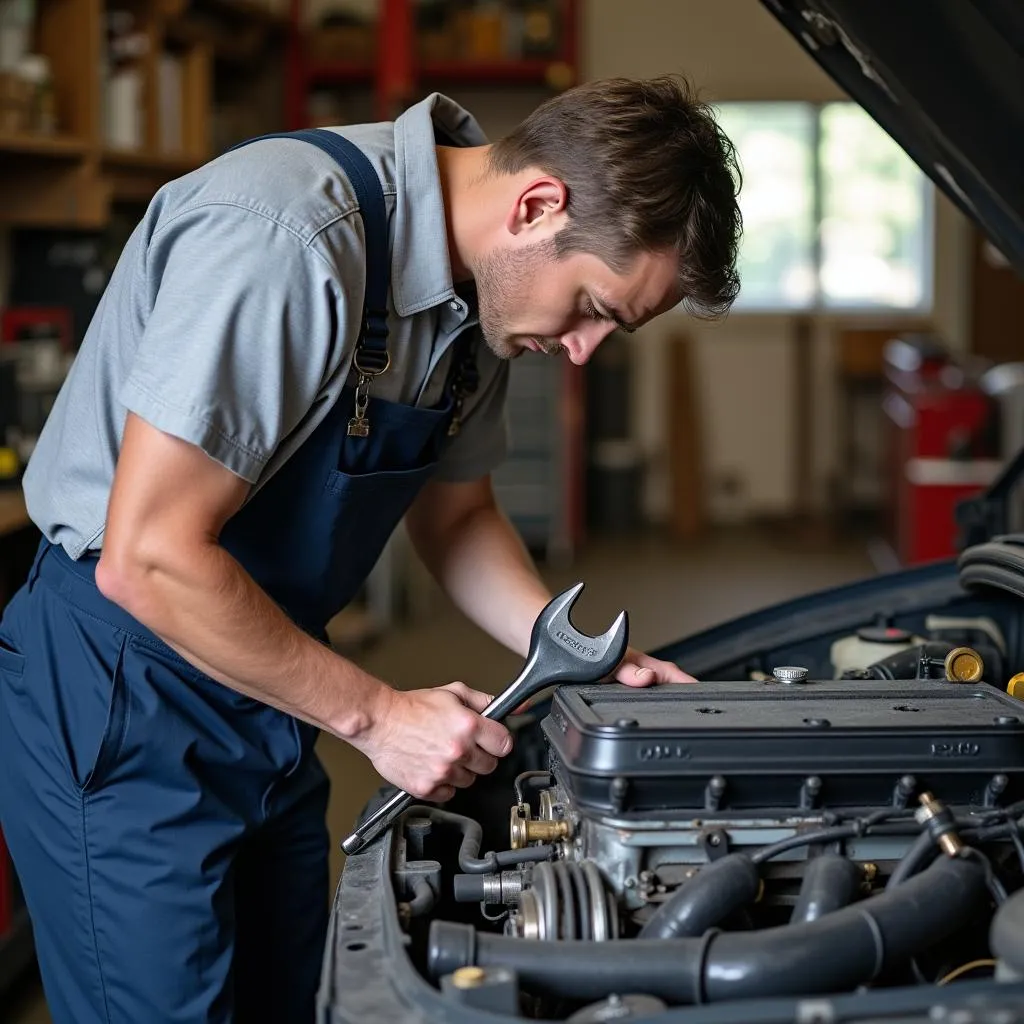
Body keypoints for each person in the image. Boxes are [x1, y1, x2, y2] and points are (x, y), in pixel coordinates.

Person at [0, 75, 741, 1022]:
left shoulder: (476, 304)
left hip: (267, 682)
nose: (586, 348)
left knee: (295, 996)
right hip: (122, 687)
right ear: (537, 205)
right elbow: (148, 556)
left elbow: (458, 517)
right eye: (593, 304)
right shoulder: (283, 238)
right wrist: (378, 718)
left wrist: (573, 653)